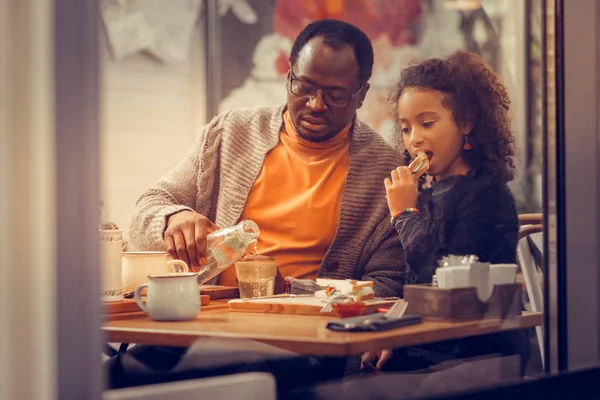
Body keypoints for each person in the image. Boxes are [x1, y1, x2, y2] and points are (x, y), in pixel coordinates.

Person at [128, 19, 404, 297]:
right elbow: (147, 208)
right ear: (288, 77)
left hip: (306, 330)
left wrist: (291, 289)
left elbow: (388, 285)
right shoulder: (230, 132)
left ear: (361, 95)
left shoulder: (386, 173)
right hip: (207, 315)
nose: (315, 104)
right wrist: (174, 219)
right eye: (304, 87)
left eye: (335, 95)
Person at [361, 51, 529, 375]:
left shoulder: (487, 195)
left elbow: (442, 283)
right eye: (406, 128)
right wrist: (388, 331)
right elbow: (410, 287)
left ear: (466, 122)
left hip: (470, 359)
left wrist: (405, 214)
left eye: (427, 123)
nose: (415, 140)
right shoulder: (424, 194)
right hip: (417, 352)